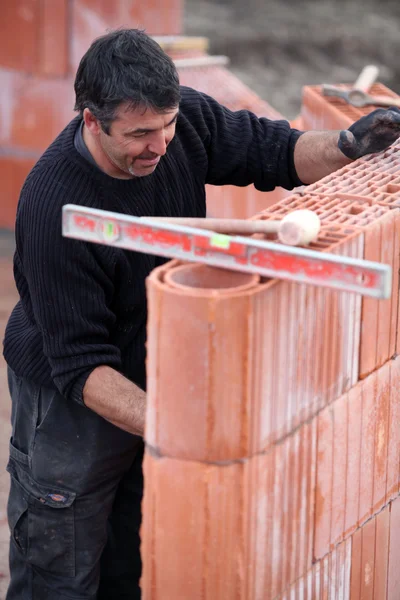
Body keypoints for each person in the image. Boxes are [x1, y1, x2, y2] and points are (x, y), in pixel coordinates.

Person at [3, 27, 400, 600]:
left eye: (165, 127)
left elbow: (277, 152)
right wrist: (184, 428)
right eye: (139, 134)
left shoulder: (179, 121)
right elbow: (81, 368)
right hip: (72, 404)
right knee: (60, 567)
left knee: (129, 559)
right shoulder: (53, 206)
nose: (160, 146)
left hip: (148, 369)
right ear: (91, 120)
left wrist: (346, 144)